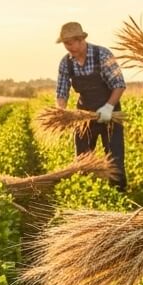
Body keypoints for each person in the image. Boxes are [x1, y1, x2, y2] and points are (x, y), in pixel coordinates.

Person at [53, 21, 127, 190]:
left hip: (109, 113)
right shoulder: (66, 63)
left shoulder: (102, 55)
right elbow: (62, 92)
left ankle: (118, 194)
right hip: (84, 116)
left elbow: (119, 85)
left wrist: (108, 107)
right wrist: (61, 112)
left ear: (81, 39)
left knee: (114, 160)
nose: (69, 47)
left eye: (72, 43)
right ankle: (87, 193)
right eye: (66, 44)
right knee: (83, 160)